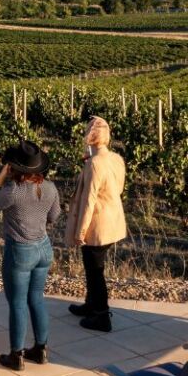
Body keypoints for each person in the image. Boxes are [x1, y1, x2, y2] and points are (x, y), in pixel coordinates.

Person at [0, 141, 60, 370]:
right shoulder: (50, 187)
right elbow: (53, 217)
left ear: (13, 167)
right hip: (43, 248)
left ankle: (16, 355)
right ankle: (41, 349)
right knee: (36, 299)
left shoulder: (13, 191)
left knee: (17, 303)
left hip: (20, 250)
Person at [65, 116, 126, 333]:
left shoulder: (94, 164)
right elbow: (118, 188)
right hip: (112, 221)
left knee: (94, 271)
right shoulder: (116, 159)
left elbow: (89, 200)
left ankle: (101, 315)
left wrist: (80, 231)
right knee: (93, 267)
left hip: (97, 224)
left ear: (90, 137)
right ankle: (91, 305)